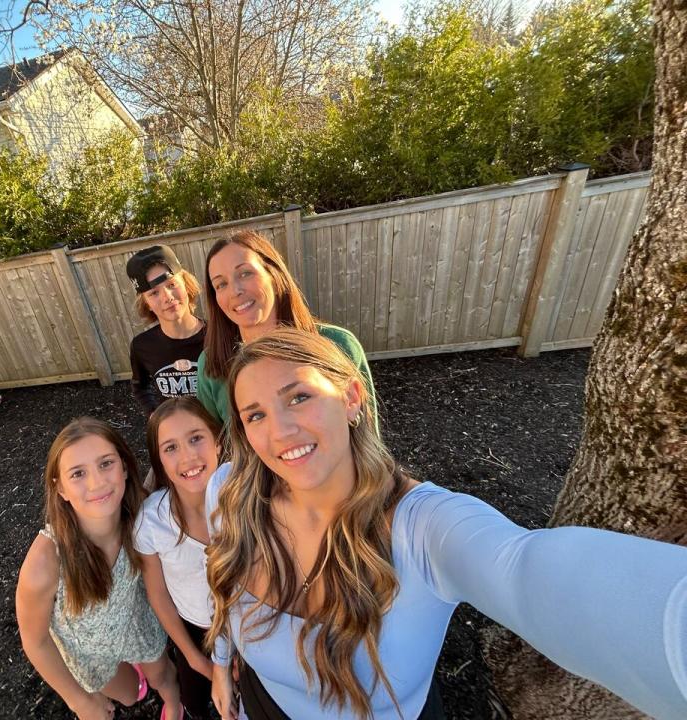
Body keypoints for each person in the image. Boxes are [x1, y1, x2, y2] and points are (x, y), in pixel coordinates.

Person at [204, 328, 687, 720]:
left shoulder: (425, 529)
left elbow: (530, 569)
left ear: (351, 397)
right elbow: (224, 595)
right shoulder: (230, 492)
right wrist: (223, 669)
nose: (279, 431)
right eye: (256, 415)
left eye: (299, 397)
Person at [16, 417, 183, 720]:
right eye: (78, 473)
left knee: (163, 678)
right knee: (131, 696)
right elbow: (35, 640)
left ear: (123, 466)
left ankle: (174, 703)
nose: (97, 483)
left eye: (106, 464)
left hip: (136, 622)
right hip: (90, 650)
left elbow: (163, 479)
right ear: (61, 488)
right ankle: (134, 677)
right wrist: (79, 701)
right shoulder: (46, 561)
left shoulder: (139, 518)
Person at [196, 230, 379, 430]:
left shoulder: (337, 344)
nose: (235, 291)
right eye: (221, 284)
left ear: (273, 274)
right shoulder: (211, 366)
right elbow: (215, 450)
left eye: (245, 273)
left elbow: (368, 438)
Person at [133, 397, 225, 720]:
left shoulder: (245, 499)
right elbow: (158, 595)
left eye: (196, 438)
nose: (188, 456)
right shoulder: (151, 520)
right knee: (196, 702)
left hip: (248, 630)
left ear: (218, 439)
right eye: (170, 448)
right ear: (158, 460)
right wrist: (195, 658)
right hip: (193, 633)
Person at [127, 245, 206, 417]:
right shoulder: (142, 346)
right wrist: (155, 415)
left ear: (186, 283)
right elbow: (140, 386)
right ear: (145, 302)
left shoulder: (218, 335)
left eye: (171, 284)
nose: (167, 297)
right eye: (154, 293)